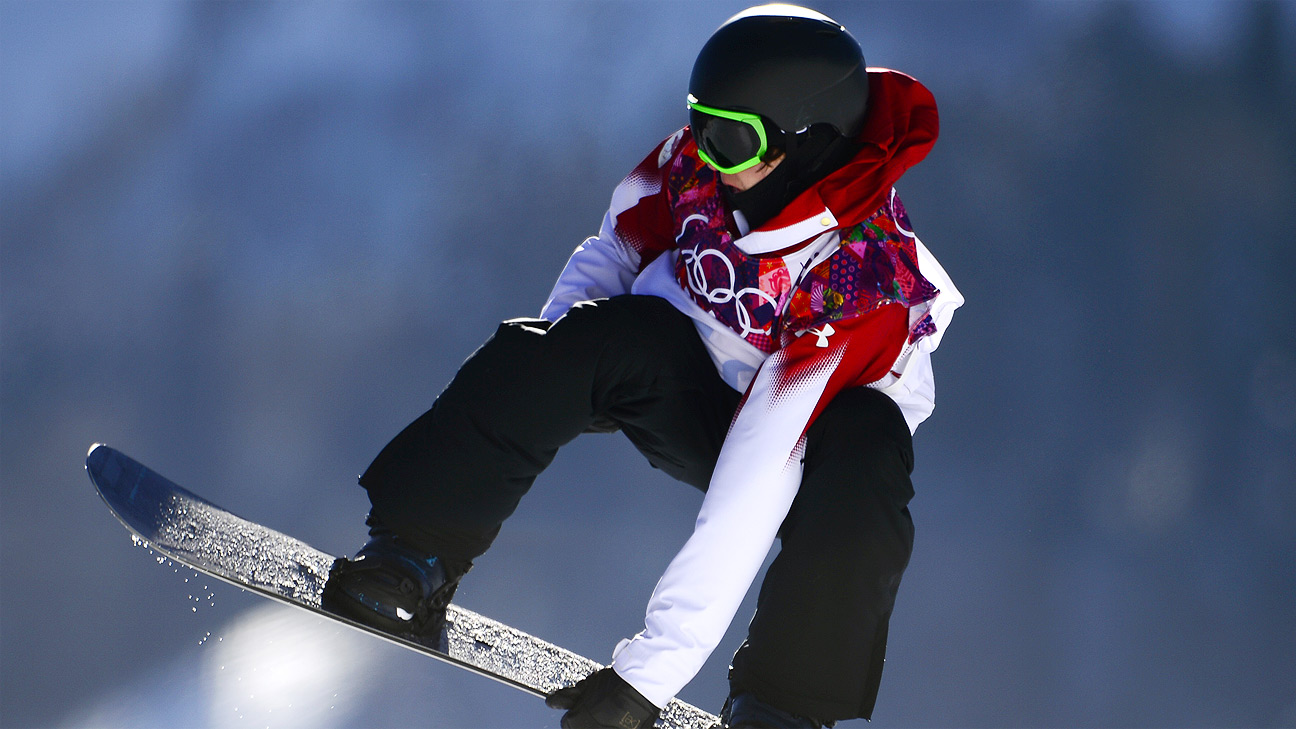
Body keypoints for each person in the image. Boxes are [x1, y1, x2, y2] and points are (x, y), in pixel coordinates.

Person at [322, 4, 962, 728]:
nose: (705, 150)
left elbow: (761, 466)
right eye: (700, 122)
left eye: (730, 137)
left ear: (807, 142)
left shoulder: (859, 278)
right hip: (694, 379)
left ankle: (782, 707)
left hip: (811, 453)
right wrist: (561, 374)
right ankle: (412, 556)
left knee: (868, 448)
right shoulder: (697, 166)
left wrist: (646, 676)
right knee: (603, 333)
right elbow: (614, 253)